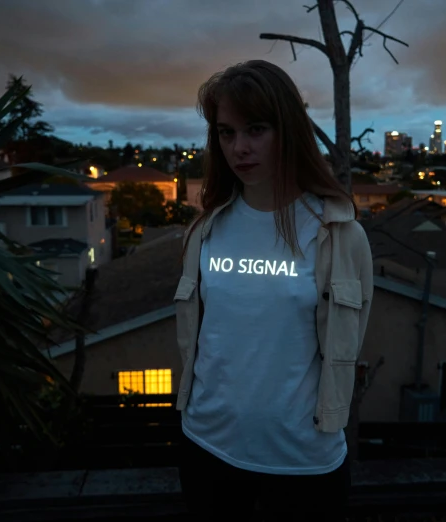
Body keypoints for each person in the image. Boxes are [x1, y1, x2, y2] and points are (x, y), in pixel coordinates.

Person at [173, 59, 374, 521]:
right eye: (226, 132)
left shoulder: (338, 235)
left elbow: (348, 341)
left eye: (256, 129)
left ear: (288, 131)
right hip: (206, 447)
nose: (239, 147)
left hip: (303, 460)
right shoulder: (203, 233)